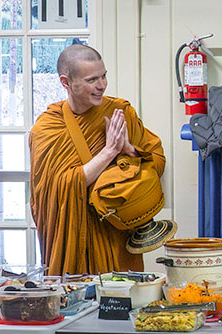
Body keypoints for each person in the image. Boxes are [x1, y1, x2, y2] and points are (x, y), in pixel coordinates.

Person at [30, 44, 172, 275]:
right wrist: (109, 153)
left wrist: (130, 151)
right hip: (74, 234)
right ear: (66, 82)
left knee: (121, 297)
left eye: (104, 76)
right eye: (91, 80)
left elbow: (156, 163)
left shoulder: (120, 112)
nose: (101, 85)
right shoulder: (48, 128)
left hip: (116, 235)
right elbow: (51, 191)